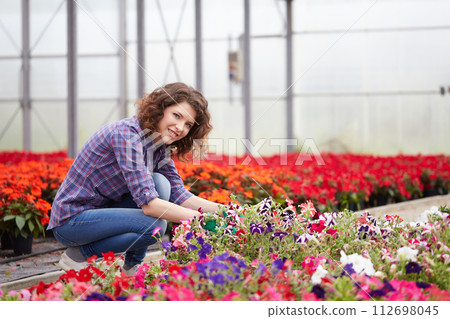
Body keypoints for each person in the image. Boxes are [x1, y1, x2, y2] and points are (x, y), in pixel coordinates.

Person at [48, 82, 220, 275]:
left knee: (161, 183)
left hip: (101, 213)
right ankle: (79, 254)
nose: (180, 127)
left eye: (188, 124)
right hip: (72, 221)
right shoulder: (127, 135)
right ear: (160, 109)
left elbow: (180, 195)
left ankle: (131, 267)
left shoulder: (158, 145)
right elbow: (150, 206)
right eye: (177, 115)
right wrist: (204, 220)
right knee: (155, 226)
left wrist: (229, 212)